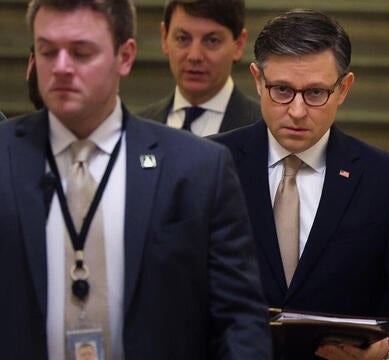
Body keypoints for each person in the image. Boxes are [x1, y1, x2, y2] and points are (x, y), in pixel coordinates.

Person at [0, 0, 270, 359]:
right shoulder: (4, 156)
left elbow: (240, 322)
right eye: (48, 51)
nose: (61, 68)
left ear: (125, 57)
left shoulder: (197, 167)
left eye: (81, 53)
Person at [211, 9, 389, 360]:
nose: (298, 111)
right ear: (258, 80)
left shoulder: (386, 181)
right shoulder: (212, 163)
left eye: (316, 92)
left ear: (344, 88)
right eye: (282, 91)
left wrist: (387, 349)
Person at [138, 0, 260, 136]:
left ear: (239, 45)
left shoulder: (265, 131)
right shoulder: (137, 130)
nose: (194, 56)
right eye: (183, 39)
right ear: (165, 37)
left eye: (212, 41)